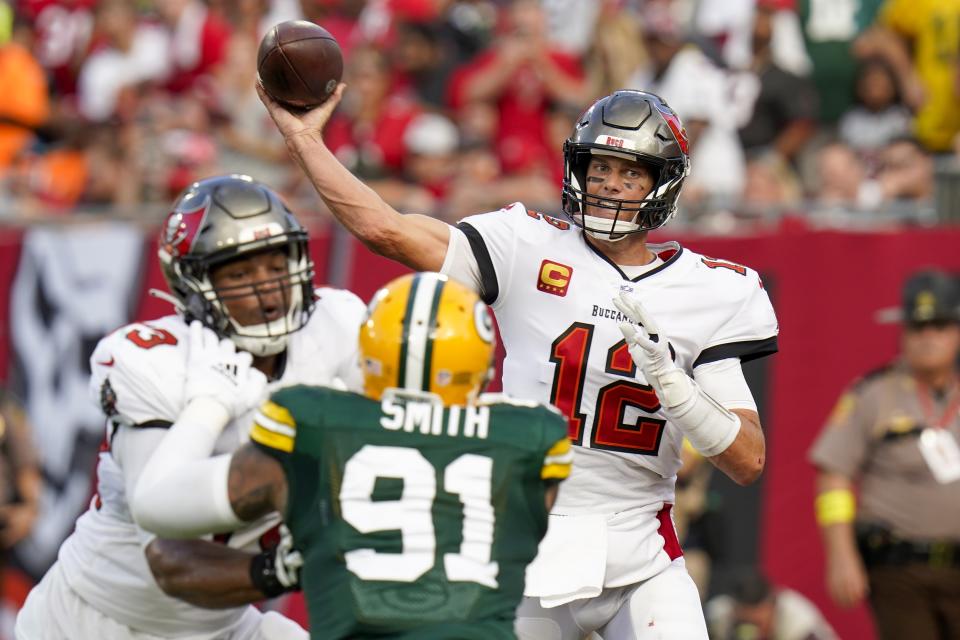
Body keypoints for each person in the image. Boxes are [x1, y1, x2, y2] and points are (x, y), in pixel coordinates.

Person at [258, 81, 779, 638]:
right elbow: (386, 229)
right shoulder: (525, 245)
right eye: (599, 167)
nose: (608, 184)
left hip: (642, 553)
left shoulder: (715, 291)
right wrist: (304, 140)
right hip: (527, 540)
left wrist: (677, 389)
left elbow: (747, 460)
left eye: (630, 173)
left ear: (662, 184)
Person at [15, 174, 367, 639]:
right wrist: (283, 570)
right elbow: (170, 562)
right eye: (240, 274)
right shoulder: (152, 360)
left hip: (225, 623)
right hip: (102, 620)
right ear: (194, 286)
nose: (267, 291)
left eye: (275, 265)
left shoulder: (337, 323)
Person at [130, 272, 573, 639]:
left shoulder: (315, 422)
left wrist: (210, 403)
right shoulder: (533, 434)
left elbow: (155, 506)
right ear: (481, 365)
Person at [809, 269, 960, 640]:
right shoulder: (873, 395)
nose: (928, 338)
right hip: (899, 570)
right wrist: (841, 555)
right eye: (917, 327)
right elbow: (833, 477)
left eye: (939, 326)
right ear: (903, 332)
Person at [704, 570, 838, 640]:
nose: (750, 629)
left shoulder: (800, 623)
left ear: (772, 606)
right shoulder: (716, 617)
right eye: (743, 621)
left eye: (756, 622)